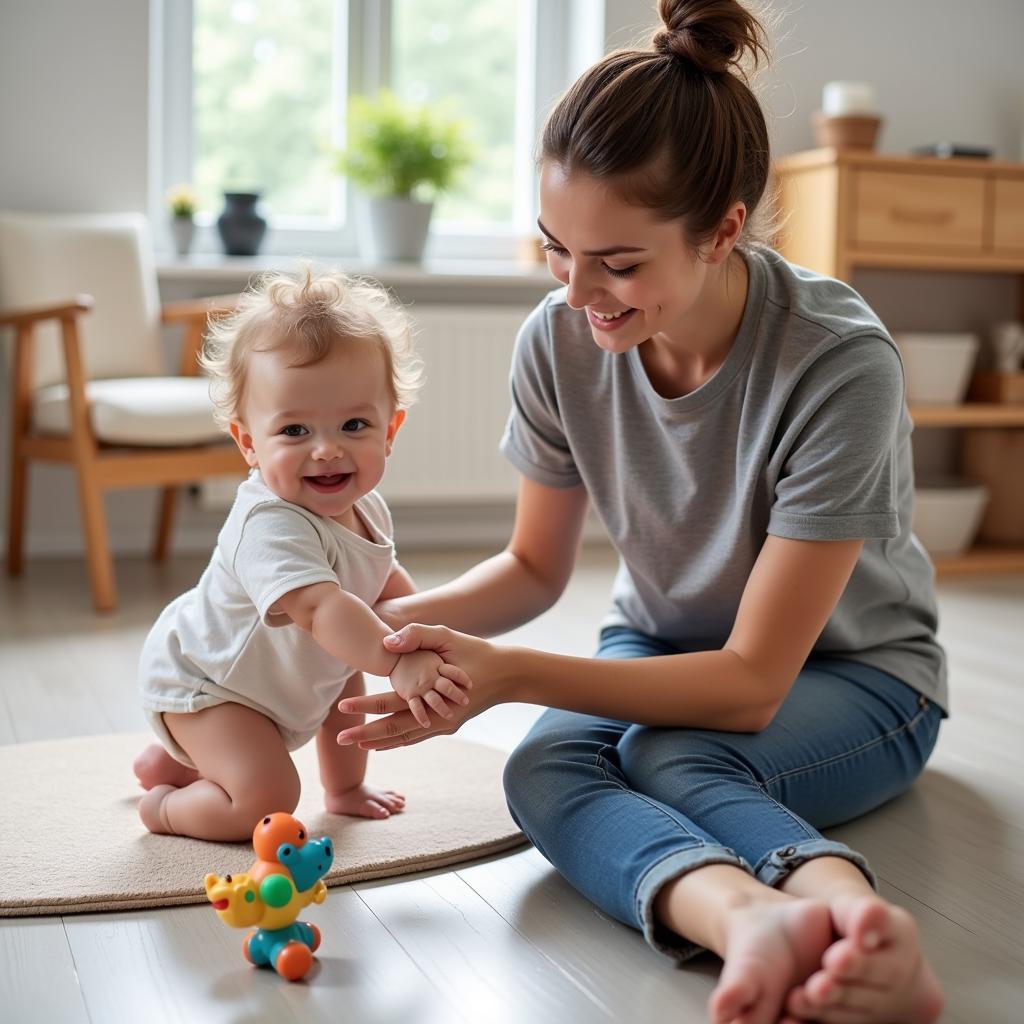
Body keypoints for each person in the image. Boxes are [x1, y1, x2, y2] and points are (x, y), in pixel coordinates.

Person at [332, 2, 947, 1022]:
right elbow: (533, 567)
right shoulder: (560, 337)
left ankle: (848, 921)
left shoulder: (838, 361)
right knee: (540, 766)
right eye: (554, 250)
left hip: (856, 677)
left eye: (617, 263)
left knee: (668, 750)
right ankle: (747, 919)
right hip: (659, 647)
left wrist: (507, 674)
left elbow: (751, 685)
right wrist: (358, 631)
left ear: (723, 230)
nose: (577, 293)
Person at [132, 266, 471, 841]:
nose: (327, 450)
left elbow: (382, 576)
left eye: (354, 424)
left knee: (345, 672)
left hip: (286, 674)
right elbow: (319, 609)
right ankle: (164, 805)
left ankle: (328, 785)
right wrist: (397, 659)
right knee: (268, 799)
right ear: (248, 442)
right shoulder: (268, 523)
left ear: (390, 430)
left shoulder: (367, 506)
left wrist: (422, 630)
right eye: (294, 432)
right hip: (211, 685)